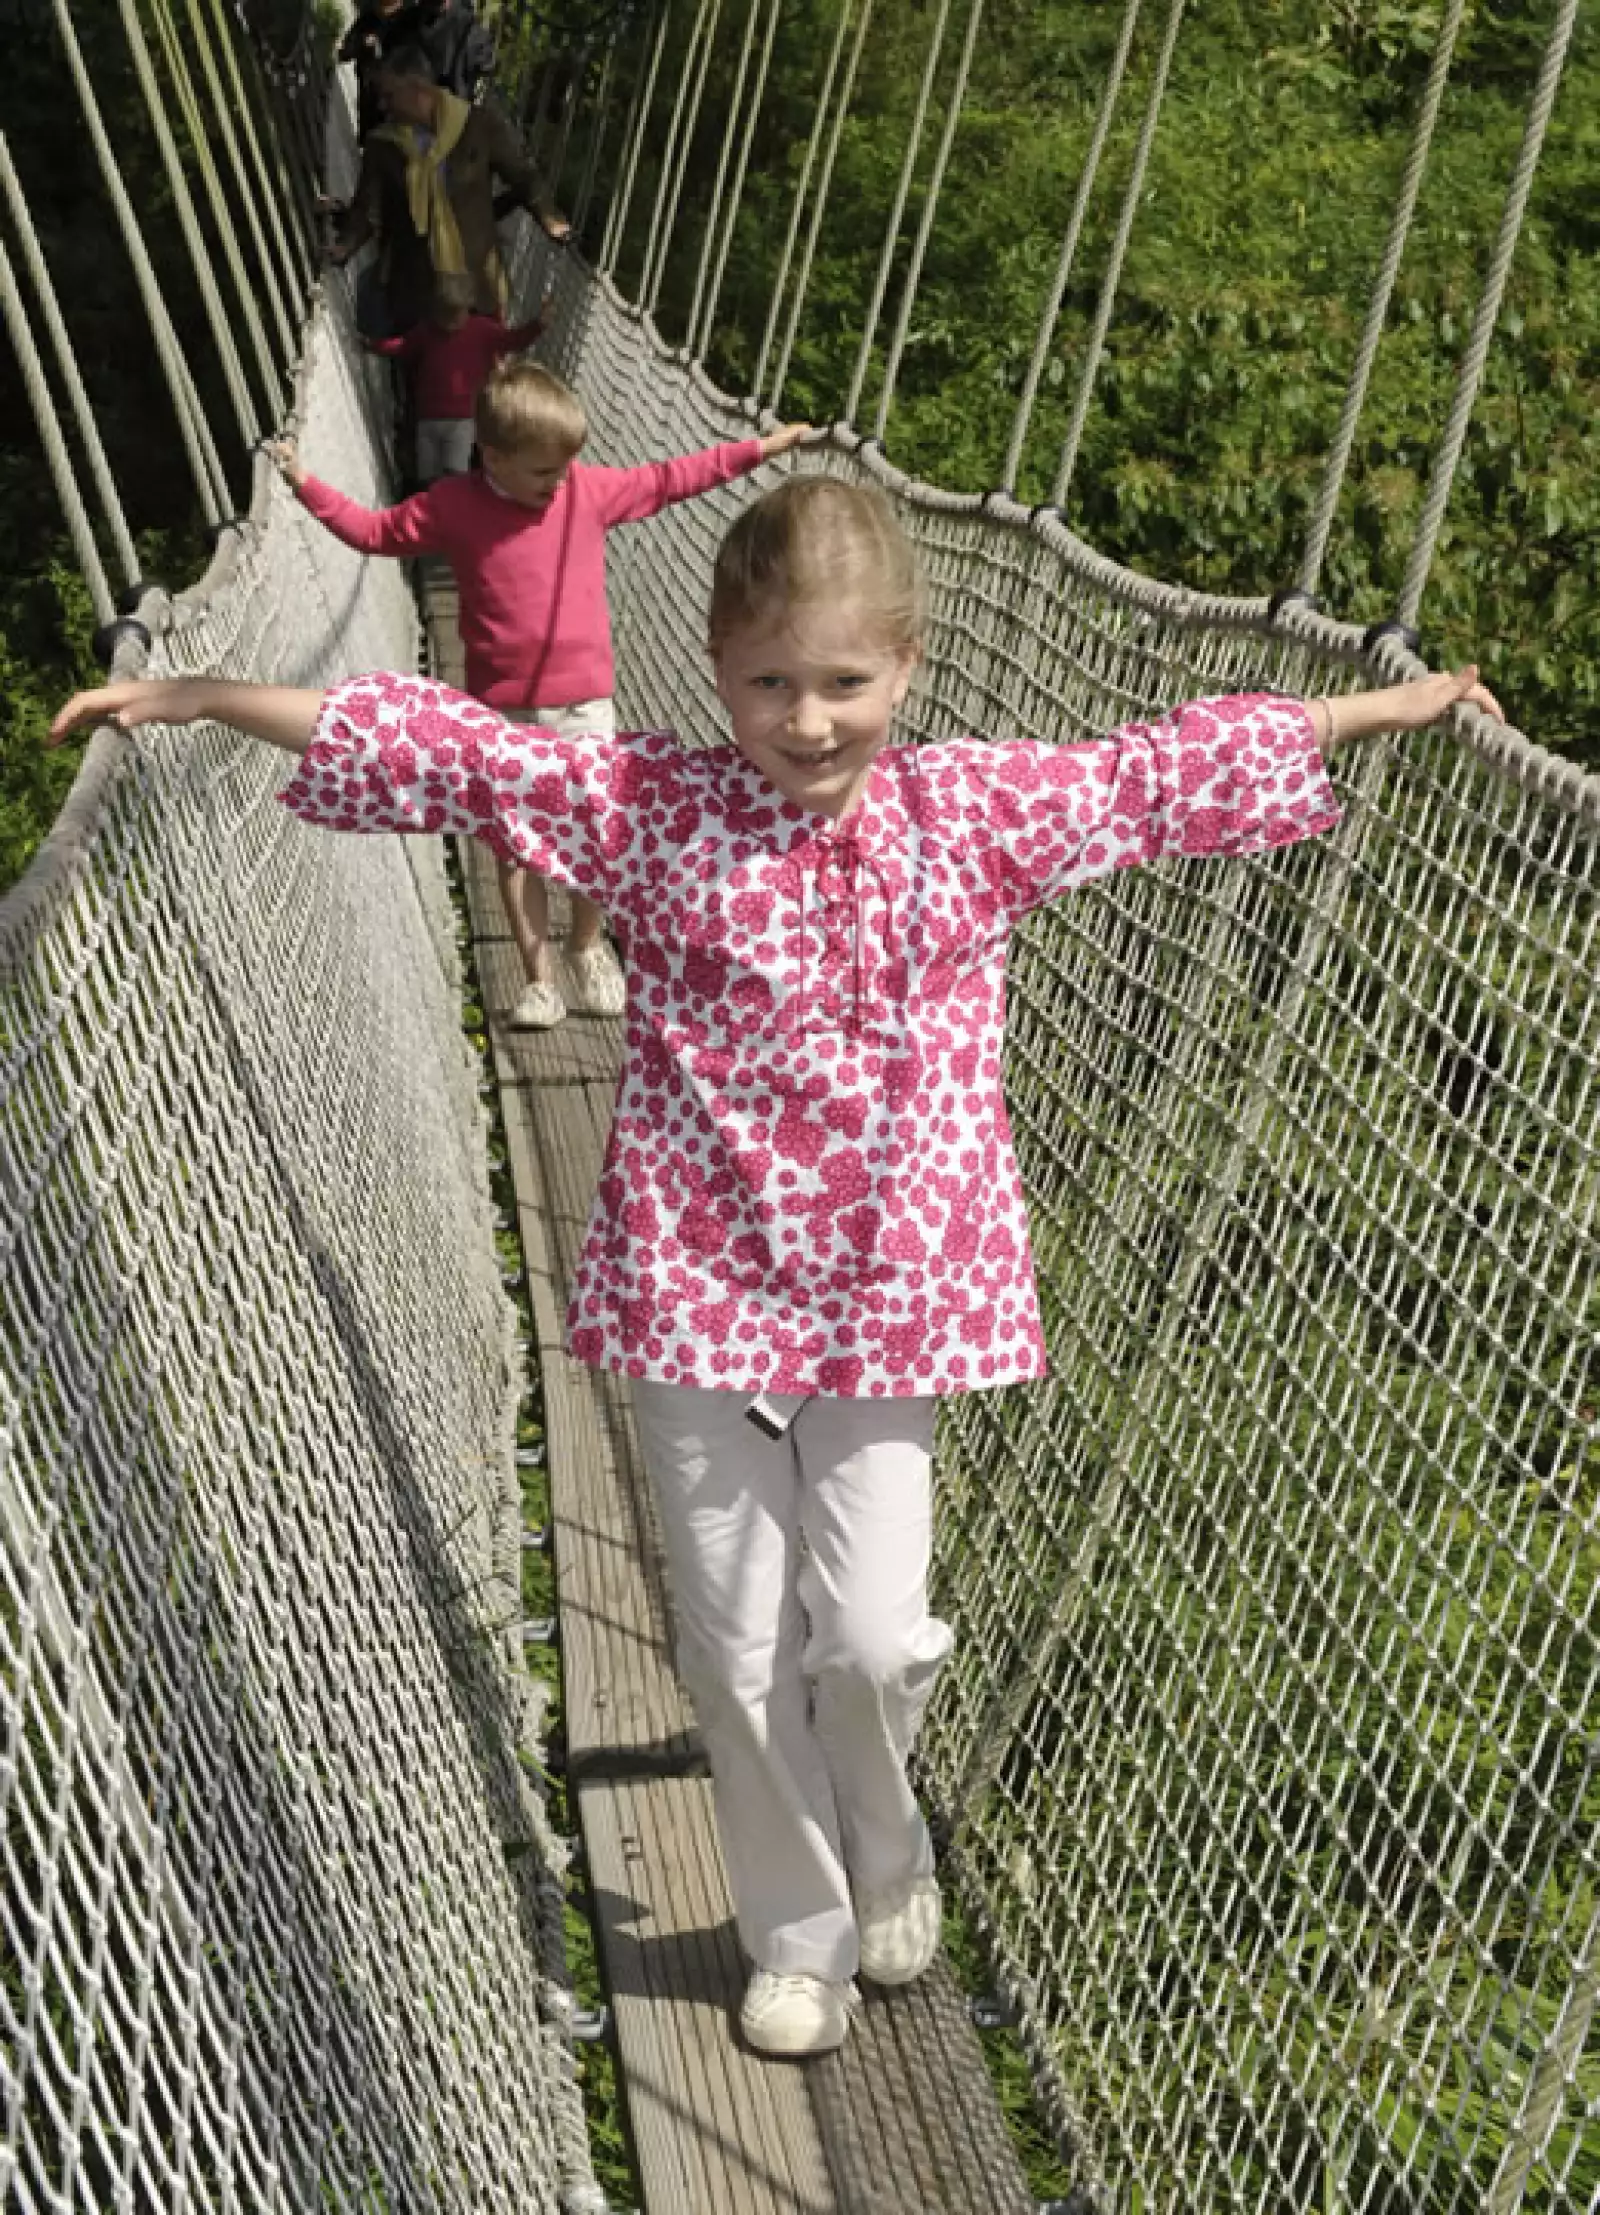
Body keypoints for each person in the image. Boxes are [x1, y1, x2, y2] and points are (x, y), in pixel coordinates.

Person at [49, 480, 1503, 2059]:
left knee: (869, 1637)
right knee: (736, 1649)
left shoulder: (975, 812)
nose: (807, 720)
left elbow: (1156, 773)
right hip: (697, 1293)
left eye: (843, 680)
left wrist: (1381, 706)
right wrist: (202, 694)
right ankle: (797, 1935)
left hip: (894, 1306)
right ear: (716, 669)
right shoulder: (654, 807)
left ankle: (889, 1841)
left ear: (907, 666)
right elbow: (452, 749)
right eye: (768, 681)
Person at [266, 362, 809, 1028]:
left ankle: (586, 947)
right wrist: (305, 483)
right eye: (544, 470)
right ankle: (538, 979)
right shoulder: (453, 506)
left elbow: (672, 479)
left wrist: (758, 449)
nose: (559, 481)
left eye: (566, 465)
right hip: (504, 713)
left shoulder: (585, 490)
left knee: (597, 835)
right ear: (493, 456)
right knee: (516, 849)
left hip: (583, 705)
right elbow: (374, 533)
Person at [331, 47, 568, 338]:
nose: (383, 106)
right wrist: (344, 246)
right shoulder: (382, 145)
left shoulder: (479, 125)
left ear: (418, 89)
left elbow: (522, 175)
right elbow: (367, 210)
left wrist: (550, 218)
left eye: (390, 95)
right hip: (415, 294)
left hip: (476, 289)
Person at [363, 273, 542, 483]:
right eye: (444, 316)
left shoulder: (482, 330)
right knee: (428, 474)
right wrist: (374, 345)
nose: (449, 323)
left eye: (455, 316)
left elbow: (513, 340)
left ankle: (450, 500)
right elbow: (403, 345)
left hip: (462, 419)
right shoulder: (427, 331)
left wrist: (538, 325)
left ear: (467, 309)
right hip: (428, 417)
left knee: (454, 473)